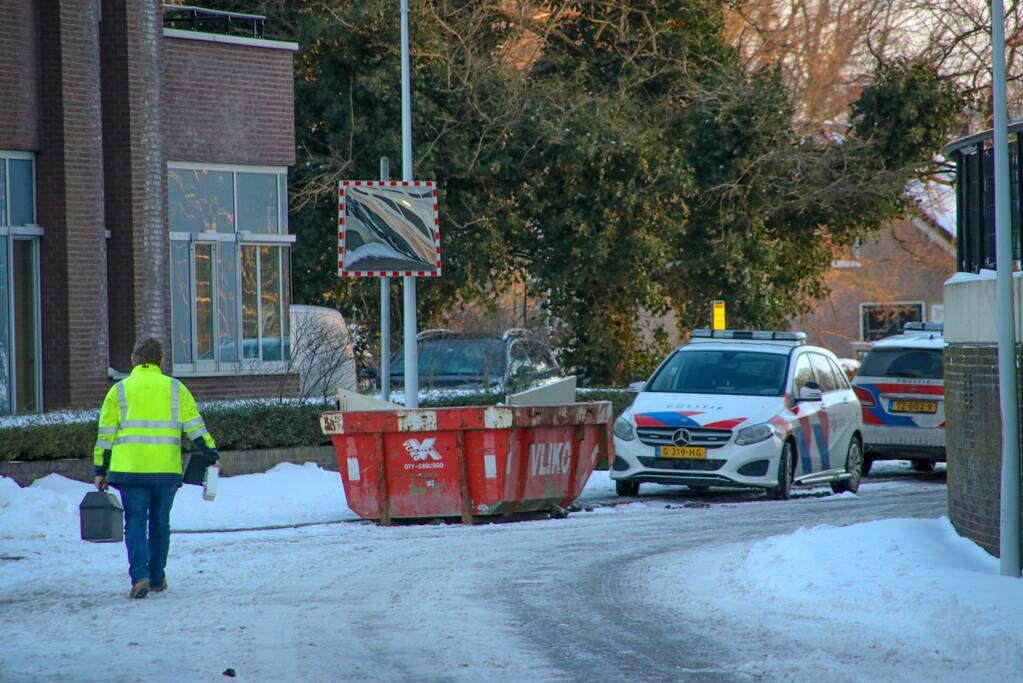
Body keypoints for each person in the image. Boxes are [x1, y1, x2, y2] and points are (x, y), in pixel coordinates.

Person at [93, 337, 218, 599]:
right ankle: (157, 578)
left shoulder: (119, 390)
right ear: (161, 360)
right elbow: (195, 427)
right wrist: (211, 453)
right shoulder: (175, 389)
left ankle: (140, 576)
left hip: (130, 471)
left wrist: (100, 470)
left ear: (134, 359)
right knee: (160, 523)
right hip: (166, 471)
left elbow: (105, 435)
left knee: (135, 521)